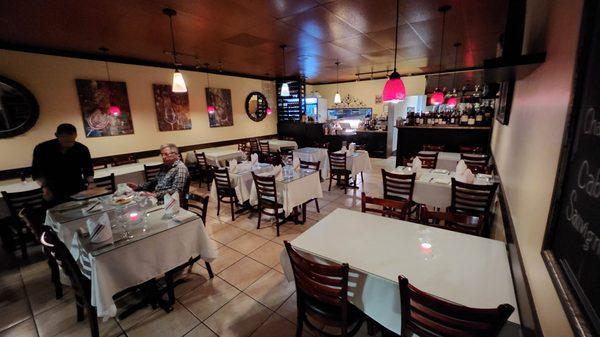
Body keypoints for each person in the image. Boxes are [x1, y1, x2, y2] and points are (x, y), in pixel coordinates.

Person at [32, 123, 94, 205]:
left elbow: (88, 168)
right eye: (66, 141)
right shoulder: (42, 149)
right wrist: (45, 188)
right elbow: (37, 172)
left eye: (72, 141)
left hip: (77, 188)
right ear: (57, 135)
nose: (70, 144)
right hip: (53, 190)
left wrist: (91, 183)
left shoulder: (82, 149)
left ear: (76, 135)